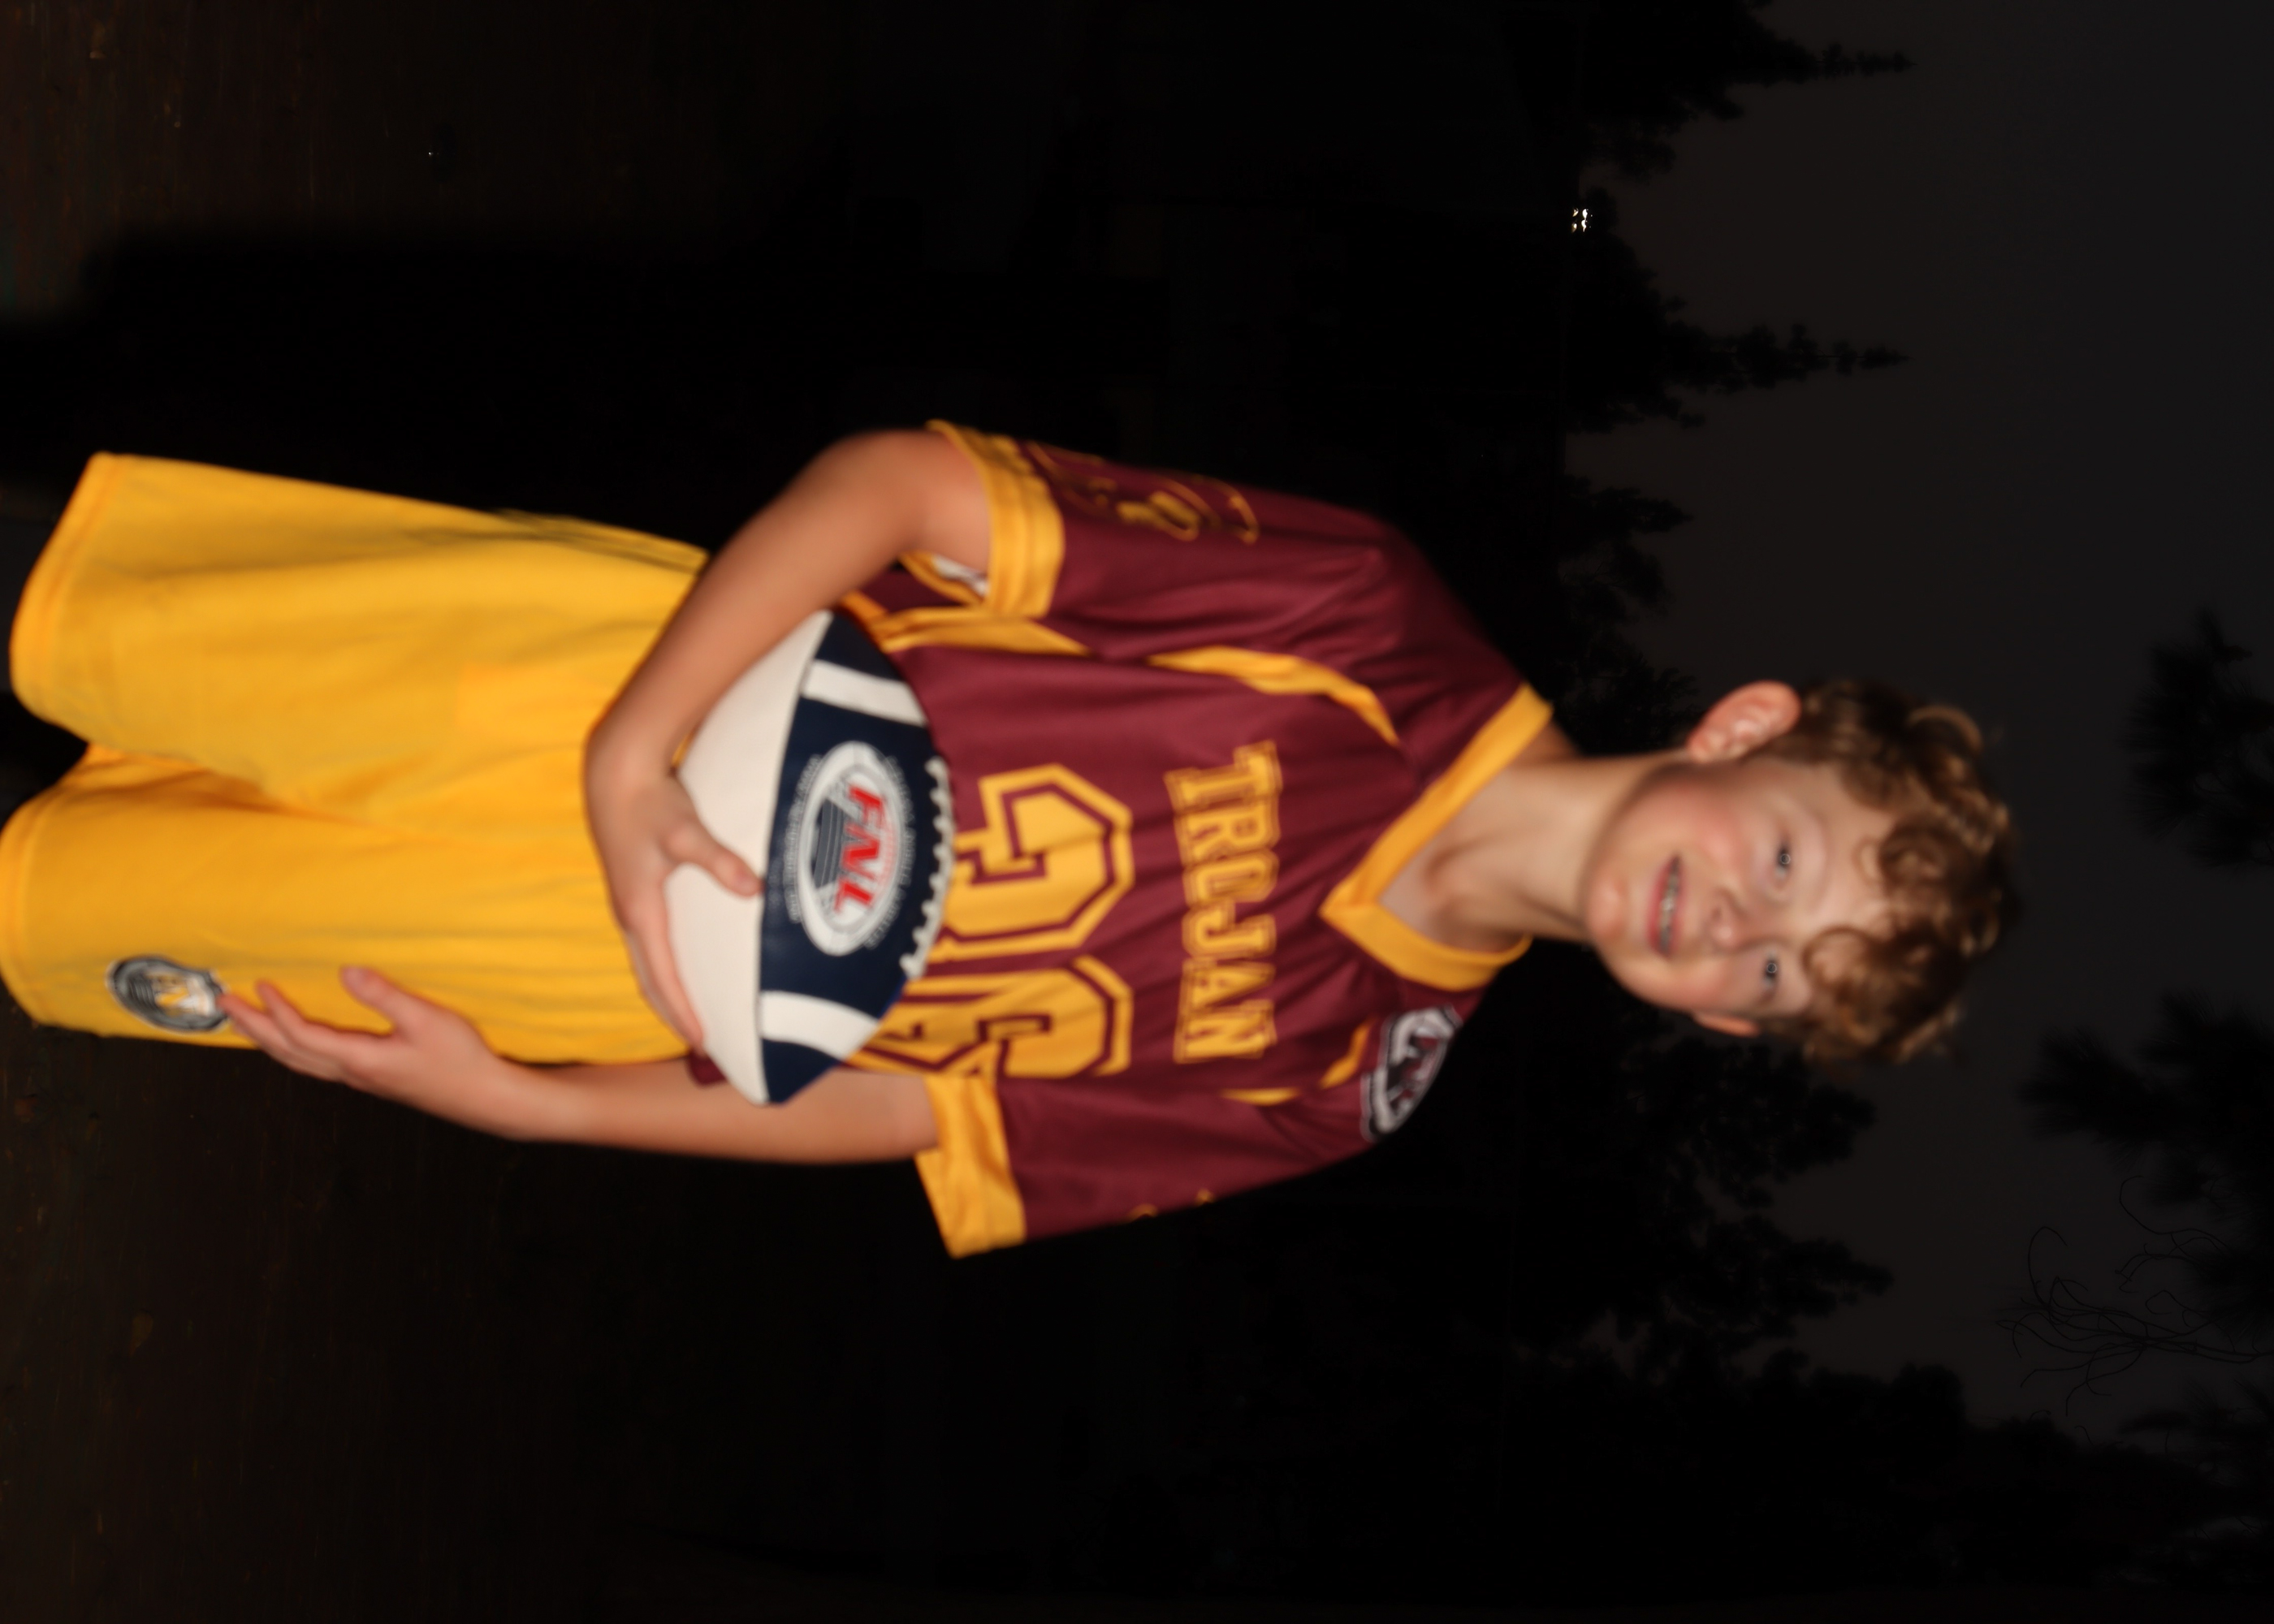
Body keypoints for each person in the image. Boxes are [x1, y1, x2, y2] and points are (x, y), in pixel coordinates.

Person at [0, 426, 2015, 1255]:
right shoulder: (1369, 621)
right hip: (583, 682)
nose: (1734, 926)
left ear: (1722, 1026)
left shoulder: (1342, 1084)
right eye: (1781, 861)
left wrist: (537, 1107)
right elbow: (899, 486)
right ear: (1740, 729)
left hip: (587, 960)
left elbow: (911, 1110)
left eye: (1776, 972)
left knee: (46, 903)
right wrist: (633, 746)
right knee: (50, 608)